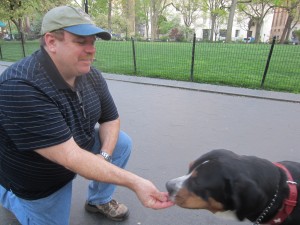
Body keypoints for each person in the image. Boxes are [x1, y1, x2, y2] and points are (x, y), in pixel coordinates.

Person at [0, 5, 174, 225]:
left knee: (121, 142)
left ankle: (98, 200)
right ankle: (9, 195)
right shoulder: (22, 86)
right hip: (40, 178)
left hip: (73, 148)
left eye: (92, 42)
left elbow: (111, 119)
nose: (91, 49)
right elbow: (71, 158)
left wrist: (102, 159)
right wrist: (136, 182)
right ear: (51, 42)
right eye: (81, 42)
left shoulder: (90, 75)